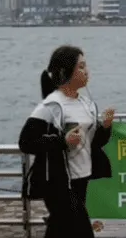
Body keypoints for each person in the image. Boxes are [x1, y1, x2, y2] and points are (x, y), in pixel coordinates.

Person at [18, 45, 114, 237]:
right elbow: (26, 142)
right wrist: (63, 141)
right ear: (64, 71)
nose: (86, 71)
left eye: (86, 66)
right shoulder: (51, 105)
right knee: (82, 230)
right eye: (81, 67)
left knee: (60, 229)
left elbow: (94, 143)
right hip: (58, 182)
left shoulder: (87, 104)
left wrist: (106, 127)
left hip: (81, 177)